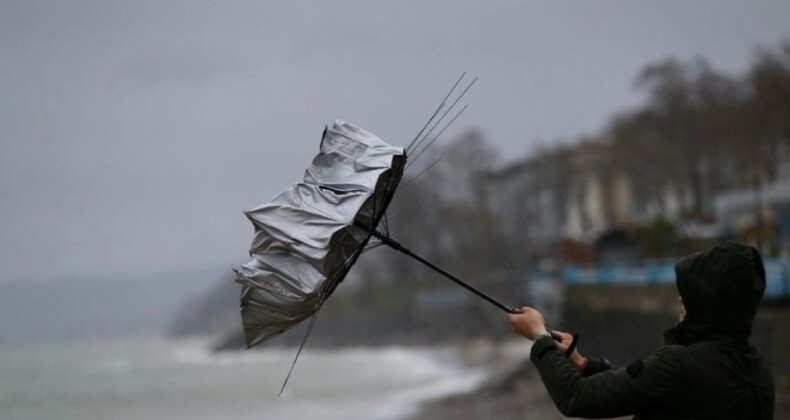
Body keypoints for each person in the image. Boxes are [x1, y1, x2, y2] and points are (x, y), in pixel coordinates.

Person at [507, 242, 775, 419]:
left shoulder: (681, 365)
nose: (680, 300)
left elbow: (577, 397)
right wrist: (585, 364)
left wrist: (539, 335)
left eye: (690, 295)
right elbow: (654, 389)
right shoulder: (756, 369)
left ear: (710, 303)